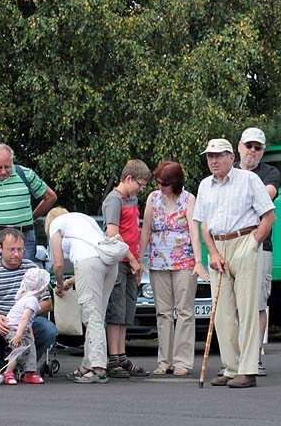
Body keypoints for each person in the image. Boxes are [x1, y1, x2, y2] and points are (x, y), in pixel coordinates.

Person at [192, 138, 276, 388]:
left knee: (248, 309)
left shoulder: (249, 180)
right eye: (209, 157)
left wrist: (252, 245)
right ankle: (231, 367)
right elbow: (203, 225)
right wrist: (213, 253)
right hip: (218, 246)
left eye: (219, 156)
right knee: (222, 313)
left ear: (231, 156)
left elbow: (269, 216)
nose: (213, 161)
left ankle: (248, 370)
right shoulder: (205, 185)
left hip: (244, 241)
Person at [139, 161, 207, 377]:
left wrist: (198, 260)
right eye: (158, 182)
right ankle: (164, 361)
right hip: (158, 262)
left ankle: (182, 362)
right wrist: (139, 260)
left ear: (175, 183)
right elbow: (146, 229)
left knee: (185, 311)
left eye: (164, 183)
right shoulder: (152, 198)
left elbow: (194, 231)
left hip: (184, 261)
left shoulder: (188, 199)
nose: (160, 186)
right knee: (163, 313)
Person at [45, 207, 116, 384]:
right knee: (98, 316)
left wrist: (60, 284)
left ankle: (98, 368)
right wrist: (69, 283)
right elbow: (94, 260)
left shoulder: (56, 224)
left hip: (89, 263)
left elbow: (59, 264)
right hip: (110, 263)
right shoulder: (86, 219)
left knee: (92, 317)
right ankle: (87, 364)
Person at [0, 228, 55, 364]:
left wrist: (25, 315)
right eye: (11, 250)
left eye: (20, 250)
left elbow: (47, 303)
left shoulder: (32, 270)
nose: (16, 254)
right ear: (0, 248)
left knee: (49, 330)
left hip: (26, 322)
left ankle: (24, 363)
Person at [234, 127, 281, 376]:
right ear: (239, 146)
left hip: (260, 244)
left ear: (263, 151)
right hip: (229, 245)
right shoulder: (227, 172)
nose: (252, 151)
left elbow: (266, 195)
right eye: (249, 145)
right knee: (232, 304)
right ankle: (234, 358)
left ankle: (254, 357)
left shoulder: (270, 173)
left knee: (258, 302)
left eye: (258, 147)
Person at [102, 160, 149, 378]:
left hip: (131, 263)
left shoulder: (132, 198)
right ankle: (113, 359)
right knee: (116, 311)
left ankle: (121, 356)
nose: (141, 189)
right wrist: (131, 258)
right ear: (128, 179)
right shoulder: (113, 200)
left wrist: (138, 261)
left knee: (127, 311)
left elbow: (133, 232)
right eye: (140, 184)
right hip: (119, 263)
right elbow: (113, 233)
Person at [1, 267, 49, 385]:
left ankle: (30, 373)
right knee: (17, 349)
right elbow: (24, 318)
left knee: (30, 348)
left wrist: (29, 331)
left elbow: (28, 320)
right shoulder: (32, 299)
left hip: (21, 328)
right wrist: (18, 335)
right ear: (41, 287)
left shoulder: (28, 297)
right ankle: (8, 373)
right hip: (14, 328)